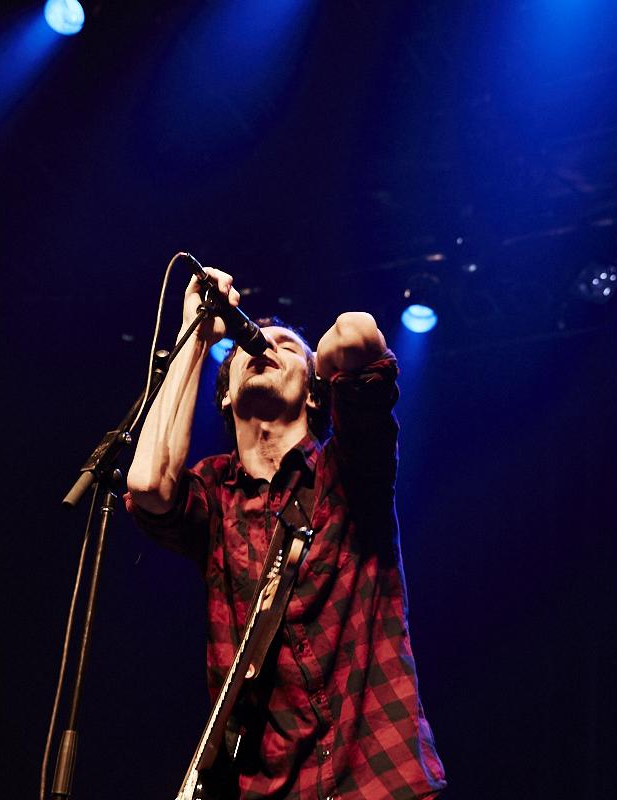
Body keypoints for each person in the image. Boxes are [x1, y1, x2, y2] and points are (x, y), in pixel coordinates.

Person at [126, 268, 446, 800]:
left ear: (317, 392)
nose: (265, 346)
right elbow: (148, 483)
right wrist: (195, 332)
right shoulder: (214, 493)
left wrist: (291, 350)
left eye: (286, 347)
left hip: (381, 781)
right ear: (225, 397)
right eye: (253, 345)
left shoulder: (347, 471)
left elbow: (357, 334)